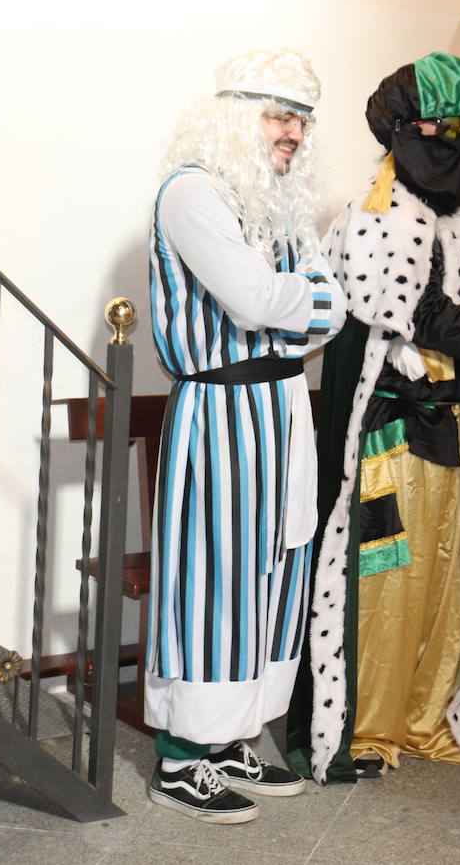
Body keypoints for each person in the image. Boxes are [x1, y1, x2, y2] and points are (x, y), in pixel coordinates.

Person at [287, 53, 460, 785]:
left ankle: (431, 711)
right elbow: (420, 313)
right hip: (388, 435)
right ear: (403, 128)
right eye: (437, 124)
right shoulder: (376, 214)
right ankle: (365, 721)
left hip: (456, 429)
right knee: (384, 570)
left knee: (446, 576)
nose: (451, 137)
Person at [145, 48, 344, 824]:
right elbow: (257, 298)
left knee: (275, 571)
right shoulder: (191, 194)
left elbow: (327, 306)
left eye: (300, 118)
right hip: (221, 413)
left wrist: (293, 306)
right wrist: (299, 304)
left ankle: (230, 739)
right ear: (233, 116)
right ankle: (180, 756)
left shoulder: (279, 204)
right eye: (276, 114)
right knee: (216, 579)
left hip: (284, 408)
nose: (291, 132)